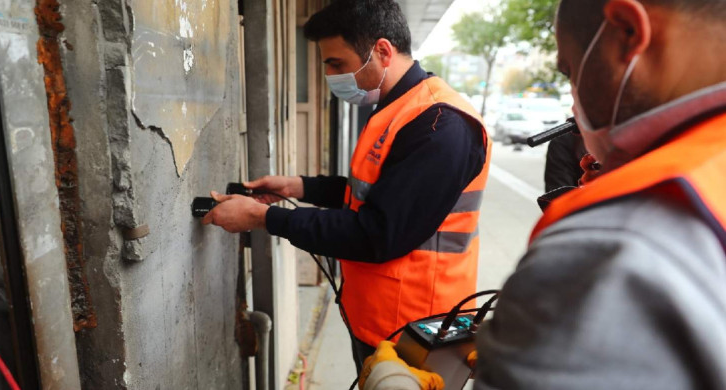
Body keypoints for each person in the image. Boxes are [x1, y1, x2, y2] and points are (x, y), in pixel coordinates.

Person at [359, 0, 726, 388]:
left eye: (570, 70)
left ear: (628, 34)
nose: (572, 101)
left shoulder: (608, 245)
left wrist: (390, 382)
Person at [202, 0, 491, 374]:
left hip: (418, 333)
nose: (330, 75)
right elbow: (373, 196)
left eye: (337, 64)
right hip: (383, 321)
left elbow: (377, 233)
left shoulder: (440, 126)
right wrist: (298, 186)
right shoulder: (398, 109)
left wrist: (263, 217)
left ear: (382, 51)